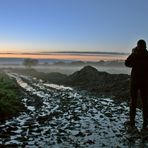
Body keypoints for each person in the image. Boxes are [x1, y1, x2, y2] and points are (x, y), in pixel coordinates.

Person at [125, 39, 148, 130]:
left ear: (138, 45)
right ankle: (145, 123)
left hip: (135, 81)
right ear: (145, 46)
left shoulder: (135, 54)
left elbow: (127, 63)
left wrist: (134, 64)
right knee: (145, 102)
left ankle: (132, 122)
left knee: (133, 101)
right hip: (145, 82)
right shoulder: (147, 54)